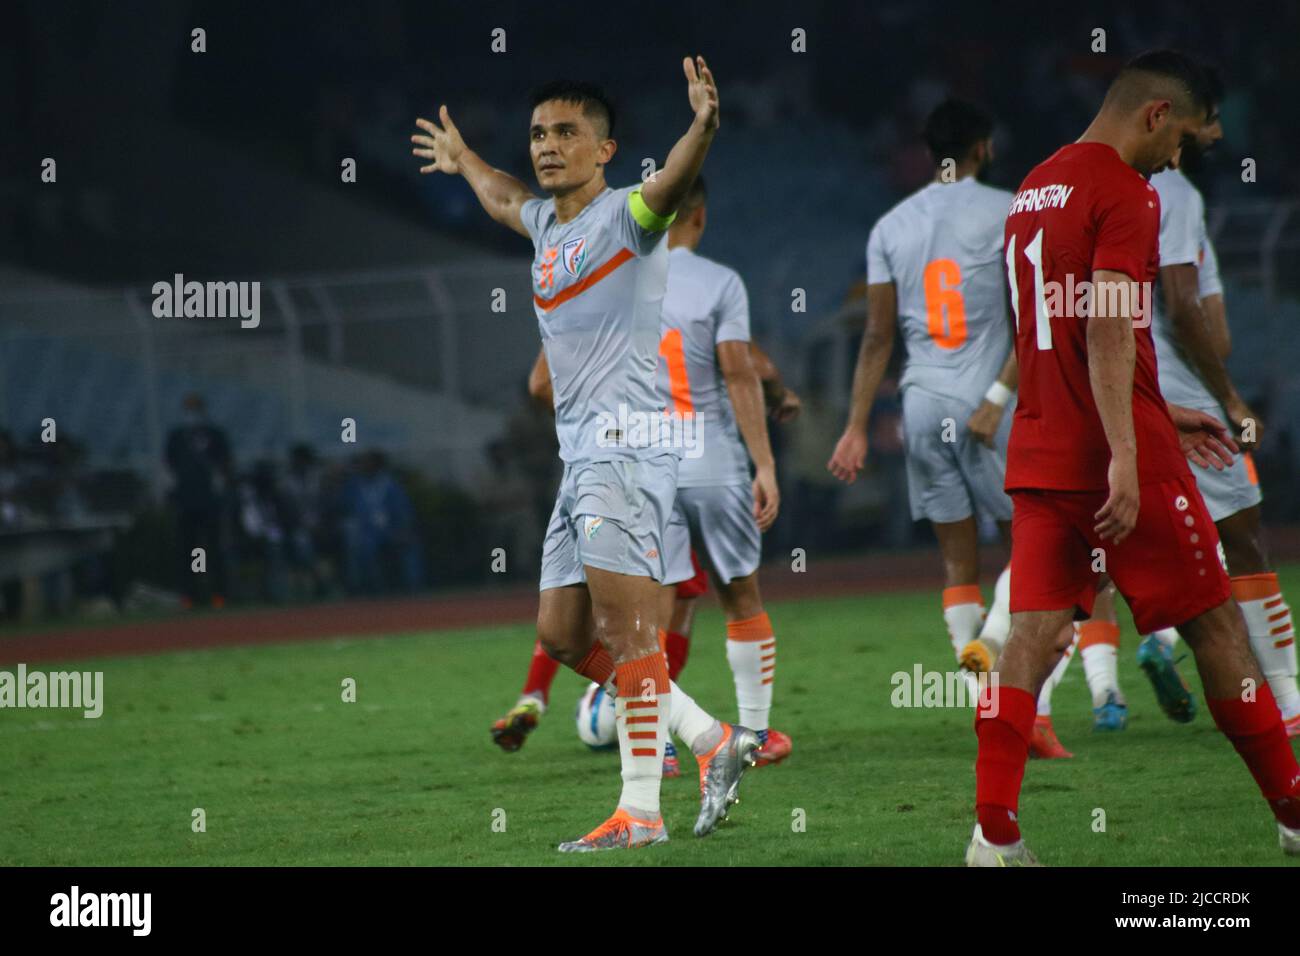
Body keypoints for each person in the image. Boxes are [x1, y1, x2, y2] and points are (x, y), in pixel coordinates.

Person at [412, 62, 758, 852]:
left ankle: (640, 813)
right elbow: (505, 198)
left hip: (628, 451)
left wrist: (702, 128)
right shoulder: (549, 228)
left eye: (567, 132)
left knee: (632, 635)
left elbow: (668, 184)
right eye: (538, 133)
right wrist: (464, 159)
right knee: (564, 635)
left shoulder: (627, 218)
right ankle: (709, 738)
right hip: (584, 460)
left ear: (606, 149)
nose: (548, 146)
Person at [968, 51, 1300, 865]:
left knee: (1030, 637)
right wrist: (1128, 444)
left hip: (1042, 447)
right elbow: (1114, 324)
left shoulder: (1031, 191)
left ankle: (994, 835)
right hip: (1122, 461)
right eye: (1182, 137)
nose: (1178, 157)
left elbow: (1052, 329)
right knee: (1217, 626)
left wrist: (1161, 407)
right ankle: (1293, 812)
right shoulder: (1126, 192)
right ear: (1156, 115)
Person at [827, 99, 1075, 757]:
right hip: (986, 405)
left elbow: (878, 333)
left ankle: (984, 711)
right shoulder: (1010, 210)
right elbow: (1035, 315)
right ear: (985, 147)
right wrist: (998, 394)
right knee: (1042, 549)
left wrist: (855, 426)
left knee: (956, 561)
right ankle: (1027, 699)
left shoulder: (889, 225)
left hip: (918, 404)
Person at [164, 393, 232, 608]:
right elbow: (169, 468)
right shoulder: (176, 437)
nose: (192, 414)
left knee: (213, 550)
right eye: (189, 409)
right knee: (190, 551)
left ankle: (218, 595)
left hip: (210, 503)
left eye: (195, 409)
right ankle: (189, 596)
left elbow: (226, 465)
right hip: (186, 503)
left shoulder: (215, 435)